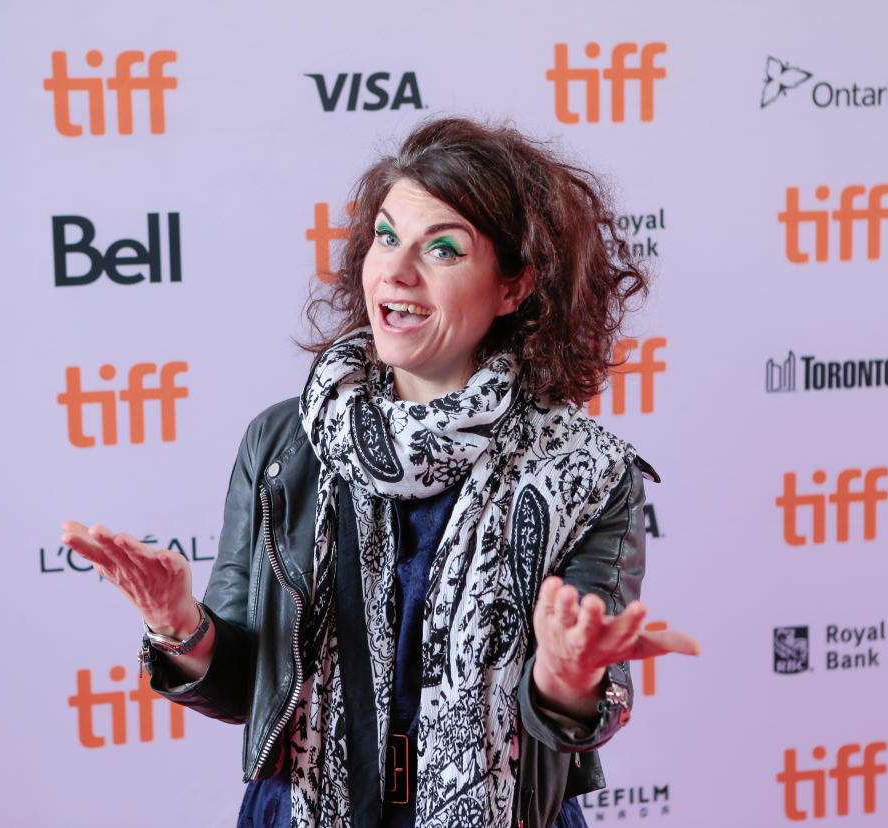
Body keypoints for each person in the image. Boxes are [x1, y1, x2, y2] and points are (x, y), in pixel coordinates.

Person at [62, 117, 700, 828]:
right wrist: (176, 624)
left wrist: (567, 675)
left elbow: (577, 709)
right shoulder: (282, 443)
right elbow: (247, 689)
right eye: (387, 237)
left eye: (444, 249)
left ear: (515, 286)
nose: (395, 271)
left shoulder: (584, 471)